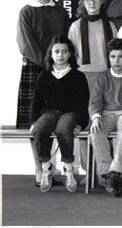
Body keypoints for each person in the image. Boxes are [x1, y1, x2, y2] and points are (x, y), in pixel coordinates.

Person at [17, 0, 70, 186]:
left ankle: (53, 168)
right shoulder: (26, 11)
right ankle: (40, 170)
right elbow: (26, 44)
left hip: (61, 71)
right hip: (37, 70)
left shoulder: (60, 11)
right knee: (36, 123)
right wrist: (49, 65)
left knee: (57, 120)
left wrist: (62, 65)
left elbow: (67, 40)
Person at [30, 36, 89, 193]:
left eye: (64, 51)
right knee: (39, 130)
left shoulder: (78, 76)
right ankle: (47, 168)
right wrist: (34, 121)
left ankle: (69, 170)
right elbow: (36, 101)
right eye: (57, 51)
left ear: (70, 54)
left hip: (70, 114)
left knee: (64, 129)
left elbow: (84, 102)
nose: (60, 55)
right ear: (51, 54)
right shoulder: (44, 76)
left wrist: (81, 123)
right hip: (49, 113)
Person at [89, 38, 122, 197]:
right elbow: (95, 101)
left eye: (121, 57)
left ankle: (116, 172)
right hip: (106, 114)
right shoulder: (102, 77)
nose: (116, 61)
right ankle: (106, 173)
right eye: (113, 57)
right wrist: (96, 117)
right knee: (96, 132)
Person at [68, 0, 117, 88]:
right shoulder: (75, 27)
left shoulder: (110, 26)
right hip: (83, 74)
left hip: (106, 74)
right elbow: (72, 55)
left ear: (102, 1)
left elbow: (116, 53)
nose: (92, 2)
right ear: (83, 2)